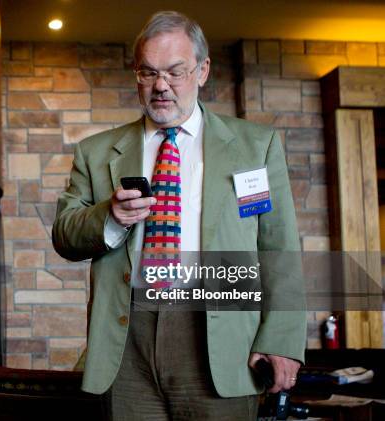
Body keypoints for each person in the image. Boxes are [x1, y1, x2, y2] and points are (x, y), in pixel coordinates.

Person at [52, 10, 306, 421]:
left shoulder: (254, 148)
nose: (161, 86)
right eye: (148, 72)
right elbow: (64, 235)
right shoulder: (96, 153)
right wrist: (112, 217)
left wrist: (281, 338)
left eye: (175, 71)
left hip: (219, 337)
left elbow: (279, 250)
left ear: (203, 70)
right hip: (127, 339)